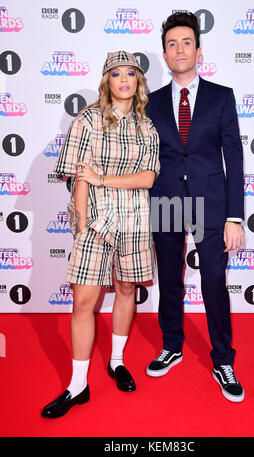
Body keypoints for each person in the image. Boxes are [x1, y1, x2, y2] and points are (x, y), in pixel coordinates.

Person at [41, 51, 160, 418]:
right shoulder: (88, 119)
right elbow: (80, 175)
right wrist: (80, 221)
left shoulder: (148, 127)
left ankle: (117, 361)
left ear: (139, 81)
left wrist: (102, 179)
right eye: (115, 74)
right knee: (83, 303)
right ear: (106, 81)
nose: (123, 79)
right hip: (96, 221)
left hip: (136, 220)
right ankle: (78, 385)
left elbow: (148, 178)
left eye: (130, 74)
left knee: (126, 290)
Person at [146, 12, 245, 402]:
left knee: (213, 283)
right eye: (172, 44)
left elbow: (234, 159)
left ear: (198, 50)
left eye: (186, 42)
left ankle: (223, 358)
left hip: (211, 204)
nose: (179, 49)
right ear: (166, 54)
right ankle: (172, 344)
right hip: (166, 199)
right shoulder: (149, 103)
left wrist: (234, 217)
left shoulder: (222, 97)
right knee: (169, 278)